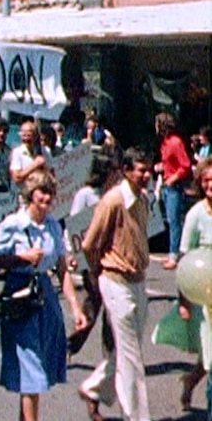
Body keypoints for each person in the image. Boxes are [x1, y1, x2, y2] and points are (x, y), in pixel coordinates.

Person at [0, 171, 88, 421]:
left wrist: (76, 309)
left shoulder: (54, 225)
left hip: (44, 296)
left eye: (50, 193)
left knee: (41, 364)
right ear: (31, 195)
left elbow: (62, 269)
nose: (46, 198)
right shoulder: (14, 224)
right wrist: (22, 257)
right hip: (20, 294)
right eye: (41, 192)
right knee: (30, 367)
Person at [81, 148, 153, 421]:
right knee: (132, 359)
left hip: (138, 281)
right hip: (115, 281)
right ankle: (137, 416)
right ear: (126, 170)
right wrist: (98, 271)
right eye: (140, 170)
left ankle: (93, 388)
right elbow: (89, 244)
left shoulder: (144, 200)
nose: (146, 175)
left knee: (128, 349)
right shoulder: (113, 201)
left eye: (148, 169)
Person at [176, 156, 212, 416]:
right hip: (204, 296)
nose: (211, 185)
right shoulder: (195, 215)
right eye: (206, 180)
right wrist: (183, 301)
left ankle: (191, 380)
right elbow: (184, 261)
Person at [154, 112, 192, 270]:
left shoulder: (175, 142)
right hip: (166, 185)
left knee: (174, 221)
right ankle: (174, 252)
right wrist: (161, 167)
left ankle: (175, 254)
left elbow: (186, 165)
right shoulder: (165, 143)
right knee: (170, 220)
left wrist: (173, 178)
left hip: (174, 186)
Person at [10, 120, 52, 189]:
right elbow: (16, 178)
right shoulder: (17, 152)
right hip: (24, 194)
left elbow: (52, 173)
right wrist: (34, 165)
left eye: (29, 135)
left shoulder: (45, 151)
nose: (26, 138)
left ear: (35, 136)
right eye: (23, 135)